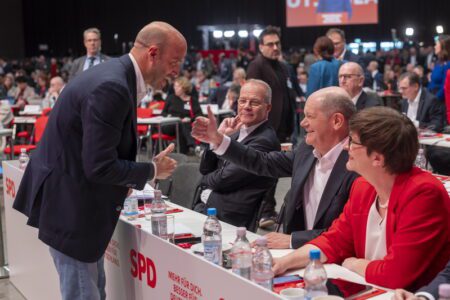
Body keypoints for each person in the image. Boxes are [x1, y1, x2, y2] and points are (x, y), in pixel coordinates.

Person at [13, 21, 186, 300]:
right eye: (175, 61)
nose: (177, 70)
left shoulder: (114, 74)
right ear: (153, 53)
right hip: (72, 209)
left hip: (74, 203)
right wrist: (152, 170)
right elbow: (99, 165)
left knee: (94, 290)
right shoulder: (113, 86)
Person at [272, 107, 450, 291]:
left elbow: (394, 275)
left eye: (352, 141)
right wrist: (285, 262)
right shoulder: (363, 187)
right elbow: (334, 240)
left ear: (377, 158)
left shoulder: (423, 194)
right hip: (371, 289)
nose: (344, 146)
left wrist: (354, 264)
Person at [192, 87, 359, 249]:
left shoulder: (358, 164)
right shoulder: (306, 151)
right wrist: (218, 139)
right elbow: (263, 162)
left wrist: (294, 240)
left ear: (337, 121)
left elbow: (350, 233)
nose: (303, 123)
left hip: (333, 260)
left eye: (310, 116)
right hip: (297, 254)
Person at [197, 79, 280, 229]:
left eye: (254, 103)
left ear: (268, 107)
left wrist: (203, 181)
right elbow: (204, 168)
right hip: (209, 209)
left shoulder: (264, 141)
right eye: (242, 101)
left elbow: (222, 180)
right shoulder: (235, 132)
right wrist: (218, 136)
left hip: (230, 220)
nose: (246, 107)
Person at [246, 25, 295, 143]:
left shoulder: (283, 67)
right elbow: (252, 100)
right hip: (266, 130)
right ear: (261, 47)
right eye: (270, 44)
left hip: (285, 129)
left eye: (277, 43)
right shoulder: (256, 66)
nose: (275, 47)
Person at [162, 76, 202, 154]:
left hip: (185, 125)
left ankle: (183, 152)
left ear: (184, 88)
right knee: (181, 124)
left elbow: (199, 114)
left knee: (182, 124)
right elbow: (163, 113)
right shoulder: (171, 98)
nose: (174, 88)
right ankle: (194, 146)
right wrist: (168, 116)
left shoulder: (192, 100)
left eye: (177, 87)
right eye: (174, 86)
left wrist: (190, 119)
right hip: (170, 125)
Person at [428, 35, 450, 102]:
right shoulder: (438, 63)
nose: (434, 47)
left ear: (443, 46)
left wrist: (433, 100)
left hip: (439, 102)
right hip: (432, 97)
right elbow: (432, 82)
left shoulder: (448, 64)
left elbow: (445, 87)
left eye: (436, 44)